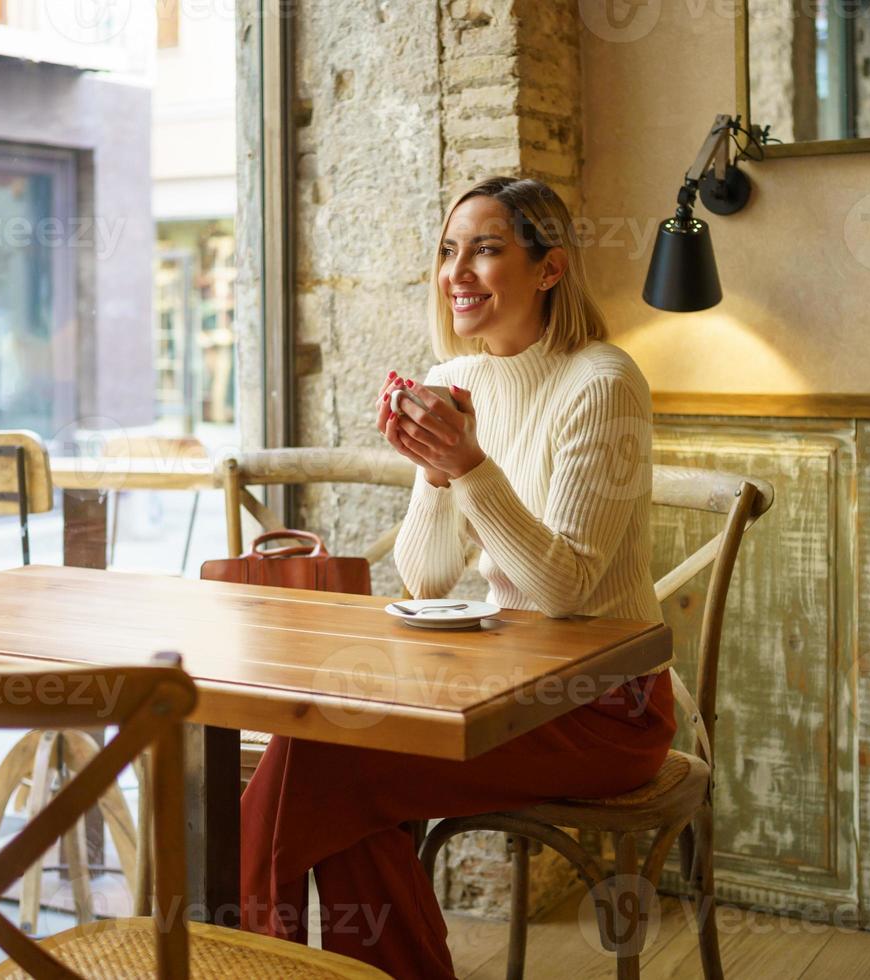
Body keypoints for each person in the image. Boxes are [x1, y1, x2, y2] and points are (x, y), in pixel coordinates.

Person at [240, 176, 676, 979]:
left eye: (485, 249)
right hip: (499, 684)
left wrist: (468, 465)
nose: (457, 272)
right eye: (448, 250)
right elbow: (428, 577)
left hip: (609, 706)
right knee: (334, 776)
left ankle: (250, 961)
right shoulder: (453, 377)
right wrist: (435, 476)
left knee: (325, 760)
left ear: (549, 270)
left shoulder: (603, 384)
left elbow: (566, 590)